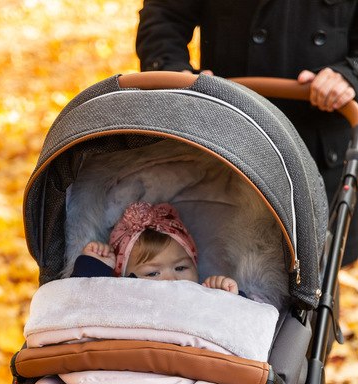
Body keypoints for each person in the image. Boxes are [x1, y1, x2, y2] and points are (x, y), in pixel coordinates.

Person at [135, 1, 358, 266]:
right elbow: (164, 14)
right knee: (211, 256)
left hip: (317, 145)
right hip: (227, 136)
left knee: (316, 266)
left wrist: (349, 73)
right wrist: (173, 71)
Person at [71, 201, 240, 293]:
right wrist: (94, 265)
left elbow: (235, 321)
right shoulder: (123, 294)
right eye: (152, 273)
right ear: (122, 278)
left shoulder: (201, 296)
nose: (171, 280)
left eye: (181, 268)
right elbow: (84, 298)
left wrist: (226, 296)